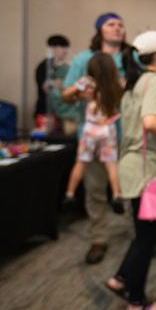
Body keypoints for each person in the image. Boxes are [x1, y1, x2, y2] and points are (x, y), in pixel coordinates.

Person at [105, 30, 156, 310]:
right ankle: (137, 302)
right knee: (150, 234)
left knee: (147, 232)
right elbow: (151, 123)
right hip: (146, 168)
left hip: (134, 165)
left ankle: (122, 278)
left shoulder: (135, 82)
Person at [62, 12, 128, 264]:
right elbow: (66, 94)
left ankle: (139, 235)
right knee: (95, 189)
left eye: (121, 25)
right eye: (111, 24)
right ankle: (98, 238)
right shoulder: (83, 60)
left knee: (129, 187)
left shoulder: (129, 59)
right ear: (100, 30)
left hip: (125, 135)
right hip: (92, 136)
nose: (117, 29)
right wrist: (78, 91)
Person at [63, 53, 123, 214]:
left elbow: (66, 94)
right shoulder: (115, 85)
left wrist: (78, 90)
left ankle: (69, 194)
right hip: (107, 130)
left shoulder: (87, 82)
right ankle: (117, 195)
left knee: (81, 162)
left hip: (90, 129)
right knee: (111, 165)